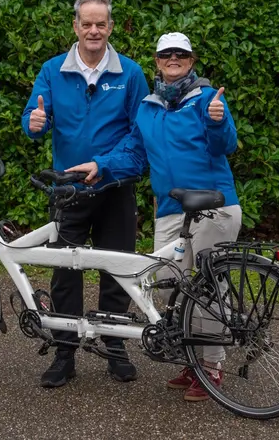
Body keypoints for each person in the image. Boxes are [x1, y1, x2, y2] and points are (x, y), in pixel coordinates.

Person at [67, 32, 242, 402]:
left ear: (192, 60)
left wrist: (217, 121)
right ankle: (192, 359)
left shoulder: (207, 99)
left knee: (208, 290)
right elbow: (133, 151)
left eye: (181, 54)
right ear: (157, 61)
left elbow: (225, 145)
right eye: (166, 54)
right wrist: (101, 164)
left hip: (214, 205)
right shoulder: (149, 106)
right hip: (170, 209)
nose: (173, 59)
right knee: (168, 283)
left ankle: (211, 369)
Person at [21, 0, 150, 388]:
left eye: (101, 24)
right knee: (65, 275)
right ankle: (64, 354)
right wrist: (36, 122)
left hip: (114, 189)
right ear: (75, 27)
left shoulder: (130, 73)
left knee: (117, 271)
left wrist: (106, 165)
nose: (94, 31)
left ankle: (114, 349)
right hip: (69, 192)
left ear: (110, 28)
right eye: (87, 24)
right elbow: (32, 119)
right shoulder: (52, 70)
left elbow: (139, 135)